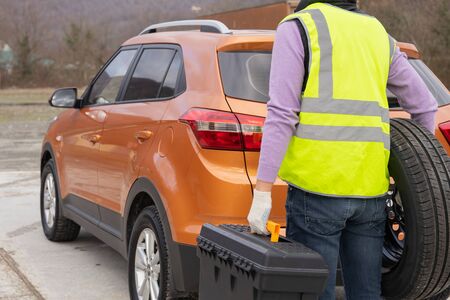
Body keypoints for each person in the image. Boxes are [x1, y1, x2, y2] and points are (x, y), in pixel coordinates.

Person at [247, 0, 438, 299]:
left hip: (317, 193)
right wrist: (418, 181)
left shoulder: (298, 27)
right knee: (366, 294)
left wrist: (262, 192)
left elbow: (282, 114)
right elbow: (425, 106)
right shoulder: (377, 32)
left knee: (312, 292)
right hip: (370, 195)